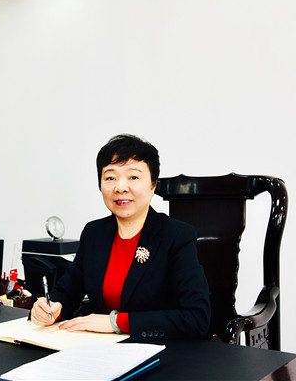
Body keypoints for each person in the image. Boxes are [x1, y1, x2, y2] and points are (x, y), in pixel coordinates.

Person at [30, 134, 211, 340]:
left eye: (133, 177)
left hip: (162, 351)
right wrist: (49, 309)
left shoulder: (176, 236)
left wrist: (115, 322)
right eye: (110, 178)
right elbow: (66, 293)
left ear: (153, 185)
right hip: (103, 349)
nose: (120, 187)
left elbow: (196, 318)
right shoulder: (94, 233)